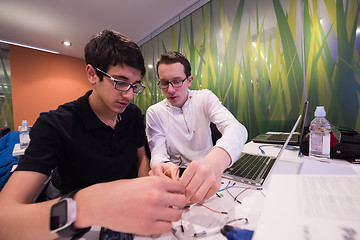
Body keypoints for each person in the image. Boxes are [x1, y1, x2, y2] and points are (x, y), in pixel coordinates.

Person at [0, 30, 187, 240]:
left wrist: (147, 184)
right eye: (120, 81)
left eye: (135, 85)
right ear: (91, 74)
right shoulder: (56, 124)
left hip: (130, 217)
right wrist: (86, 204)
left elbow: (141, 157)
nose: (128, 94)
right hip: (83, 225)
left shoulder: (132, 114)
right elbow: (5, 220)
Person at [146, 51, 248, 203]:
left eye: (177, 81)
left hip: (210, 167)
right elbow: (157, 153)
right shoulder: (154, 112)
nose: (171, 90)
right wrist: (162, 165)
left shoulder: (204, 98)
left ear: (189, 80)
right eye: (164, 83)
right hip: (177, 176)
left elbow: (236, 128)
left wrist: (215, 161)